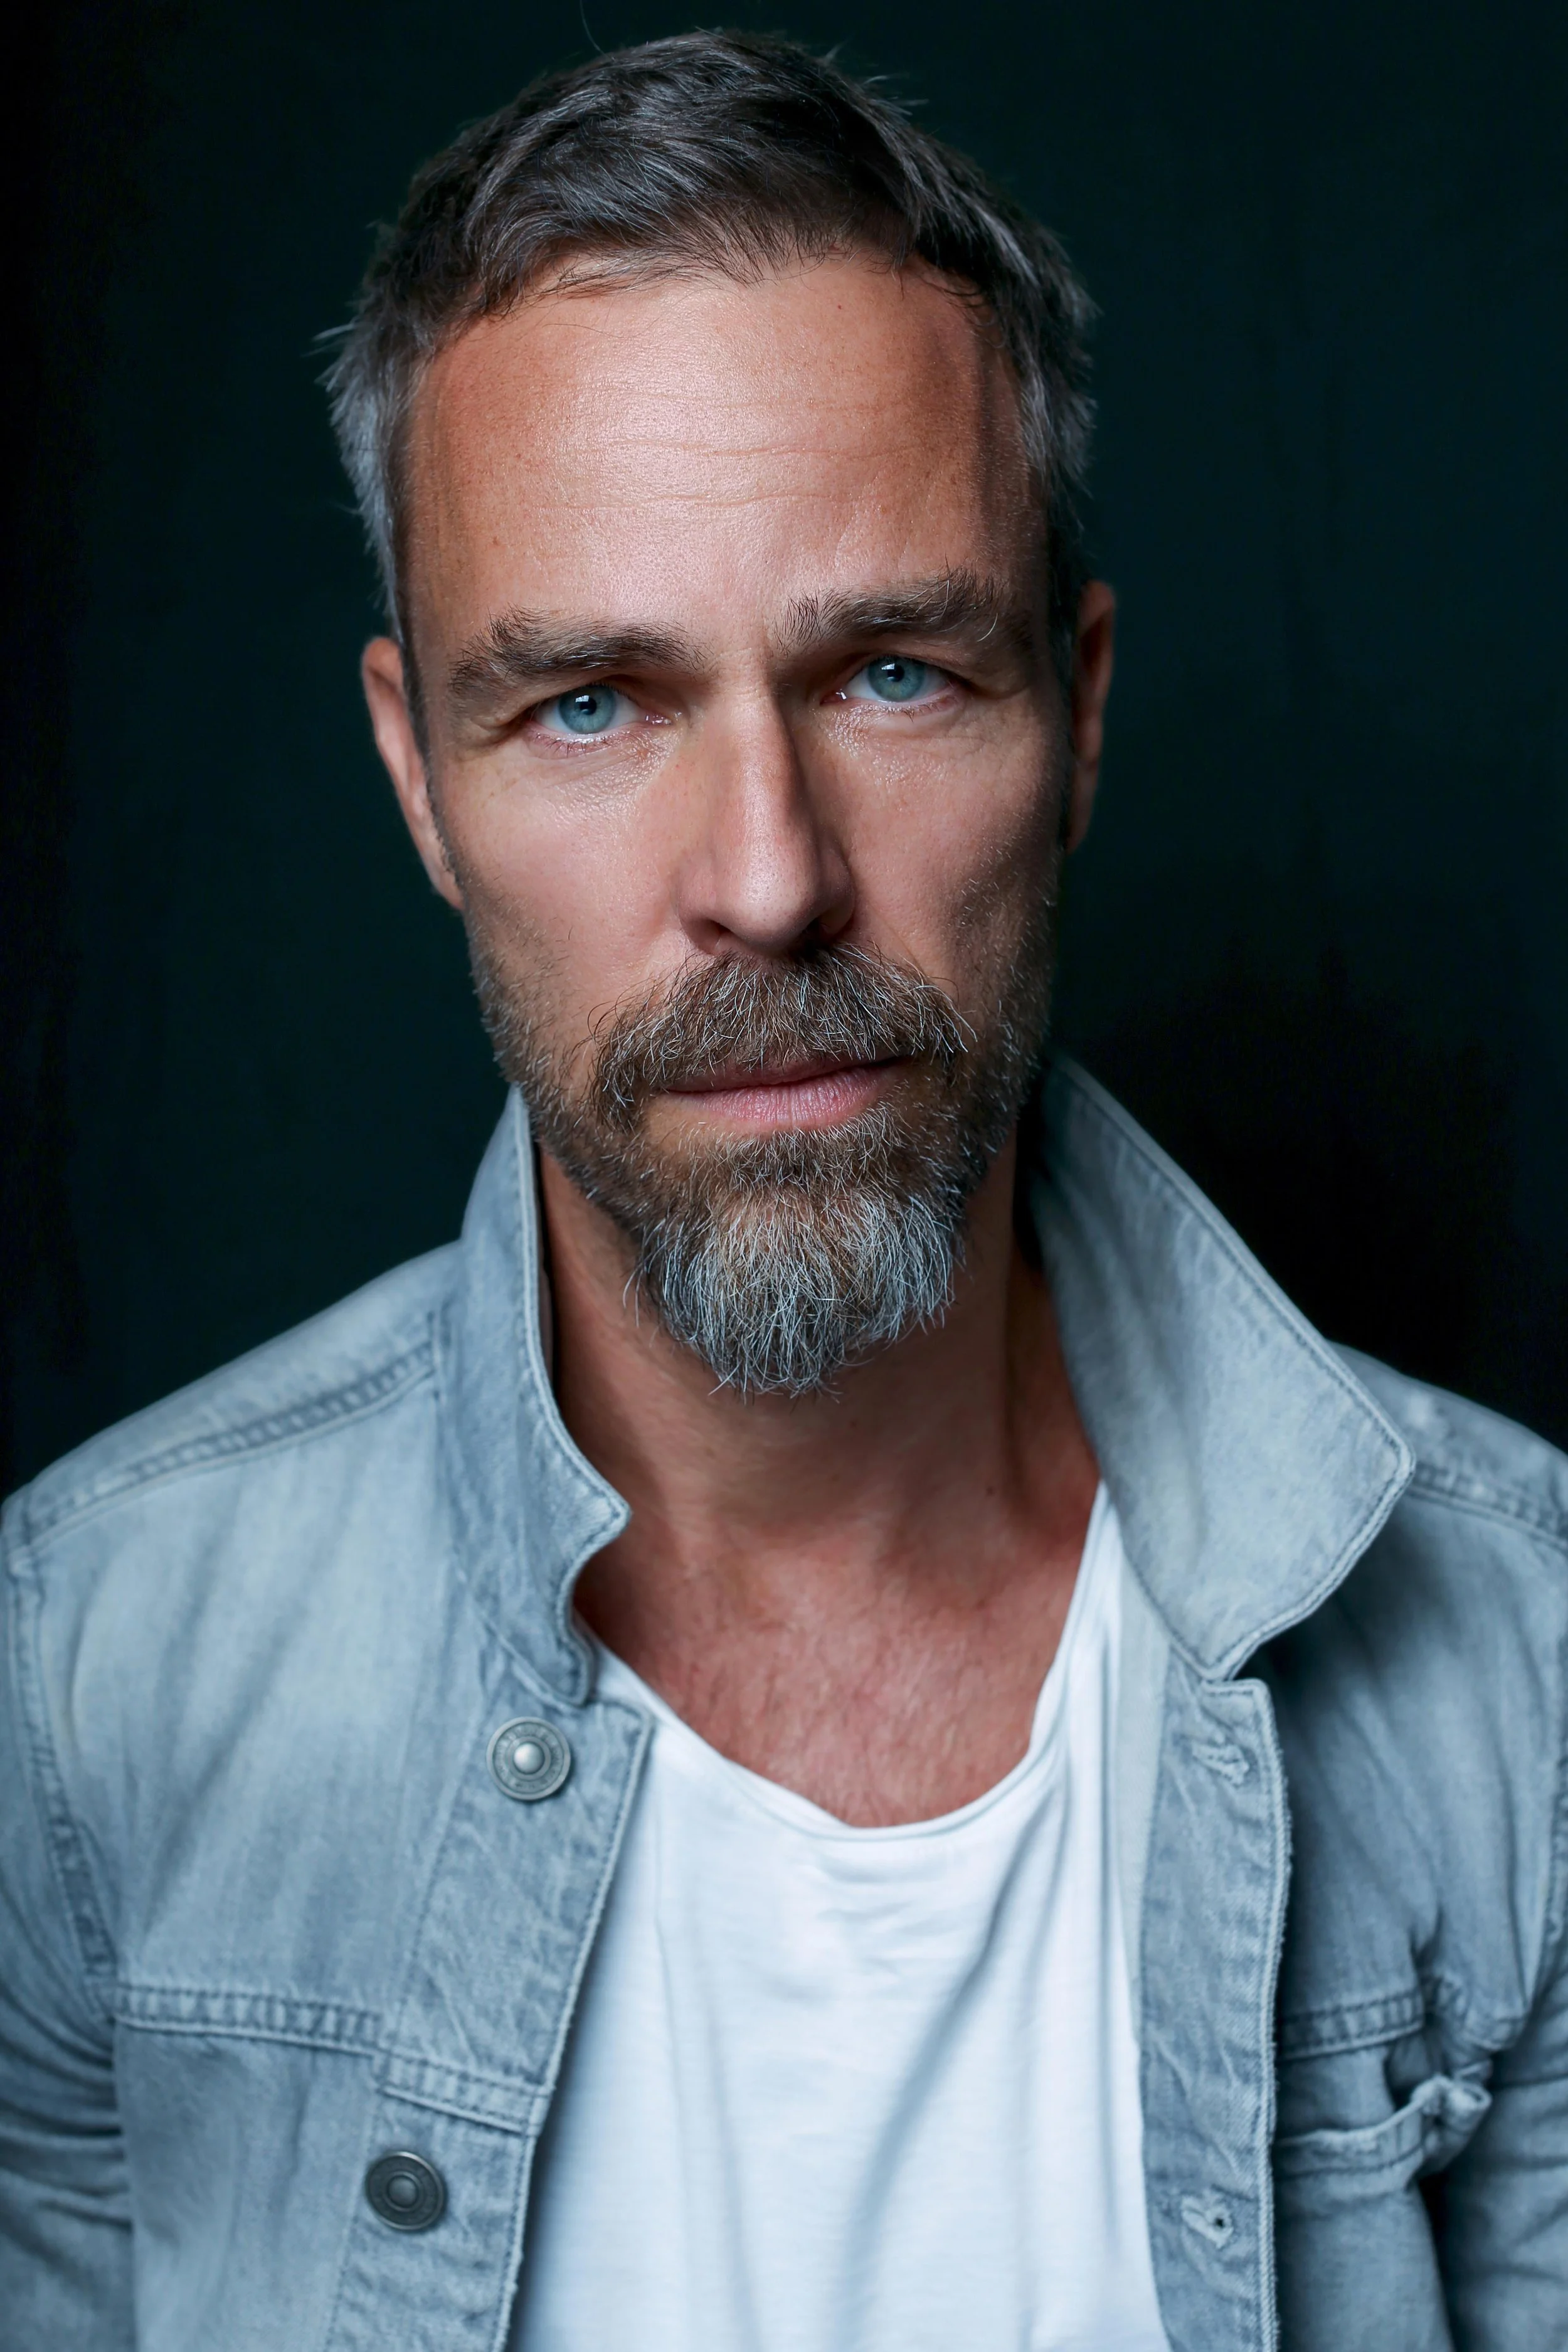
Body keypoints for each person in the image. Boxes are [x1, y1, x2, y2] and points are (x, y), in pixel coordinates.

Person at [2, 31, 1564, 2351]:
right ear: (416, 780)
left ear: (1082, 711)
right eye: (591, 706)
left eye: (896, 673)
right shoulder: (85, 1677)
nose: (767, 880)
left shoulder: (1520, 1667)